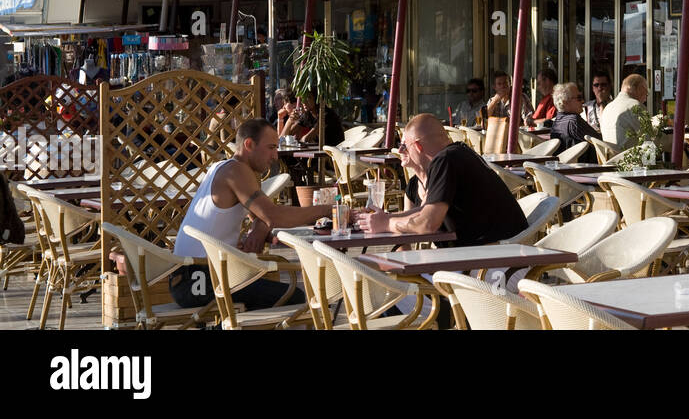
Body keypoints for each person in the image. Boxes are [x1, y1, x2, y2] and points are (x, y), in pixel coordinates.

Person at [170, 118, 329, 309]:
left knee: (278, 292)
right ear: (249, 144)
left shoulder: (222, 166)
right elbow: (273, 215)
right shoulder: (236, 171)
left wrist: (260, 228)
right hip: (199, 280)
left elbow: (263, 215)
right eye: (271, 147)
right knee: (293, 296)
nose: (275, 156)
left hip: (190, 278)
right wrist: (327, 209)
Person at [357, 114, 526, 245]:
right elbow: (423, 212)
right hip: (495, 254)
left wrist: (386, 223)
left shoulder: (445, 159)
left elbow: (428, 223)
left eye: (404, 145)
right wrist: (385, 218)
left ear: (417, 146)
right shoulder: (456, 154)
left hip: (498, 263)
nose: (401, 150)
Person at [550, 83, 598, 159]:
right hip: (584, 168)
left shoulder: (557, 121)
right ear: (565, 102)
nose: (582, 101)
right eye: (579, 98)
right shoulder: (574, 121)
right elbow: (599, 141)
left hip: (563, 166)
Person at [601, 74, 649, 149]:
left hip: (610, 158)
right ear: (640, 88)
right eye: (646, 93)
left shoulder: (607, 108)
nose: (646, 99)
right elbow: (649, 140)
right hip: (631, 158)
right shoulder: (635, 106)